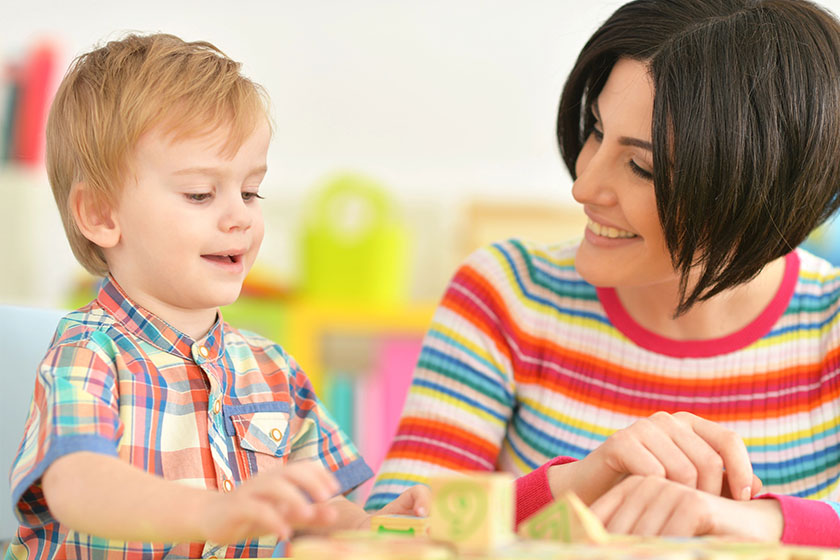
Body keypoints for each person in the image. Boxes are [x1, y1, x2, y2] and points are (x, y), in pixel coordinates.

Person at [366, 0, 840, 547]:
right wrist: (578, 482)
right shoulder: (508, 296)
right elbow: (387, 533)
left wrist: (751, 522)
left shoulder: (827, 328)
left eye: (640, 166)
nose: (584, 187)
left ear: (756, 186)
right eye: (595, 131)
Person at [5, 33, 427, 560]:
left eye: (251, 191)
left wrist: (376, 528)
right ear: (101, 215)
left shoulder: (273, 368)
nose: (240, 216)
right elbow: (77, 486)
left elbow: (319, 510)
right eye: (200, 194)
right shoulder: (89, 353)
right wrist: (209, 512)